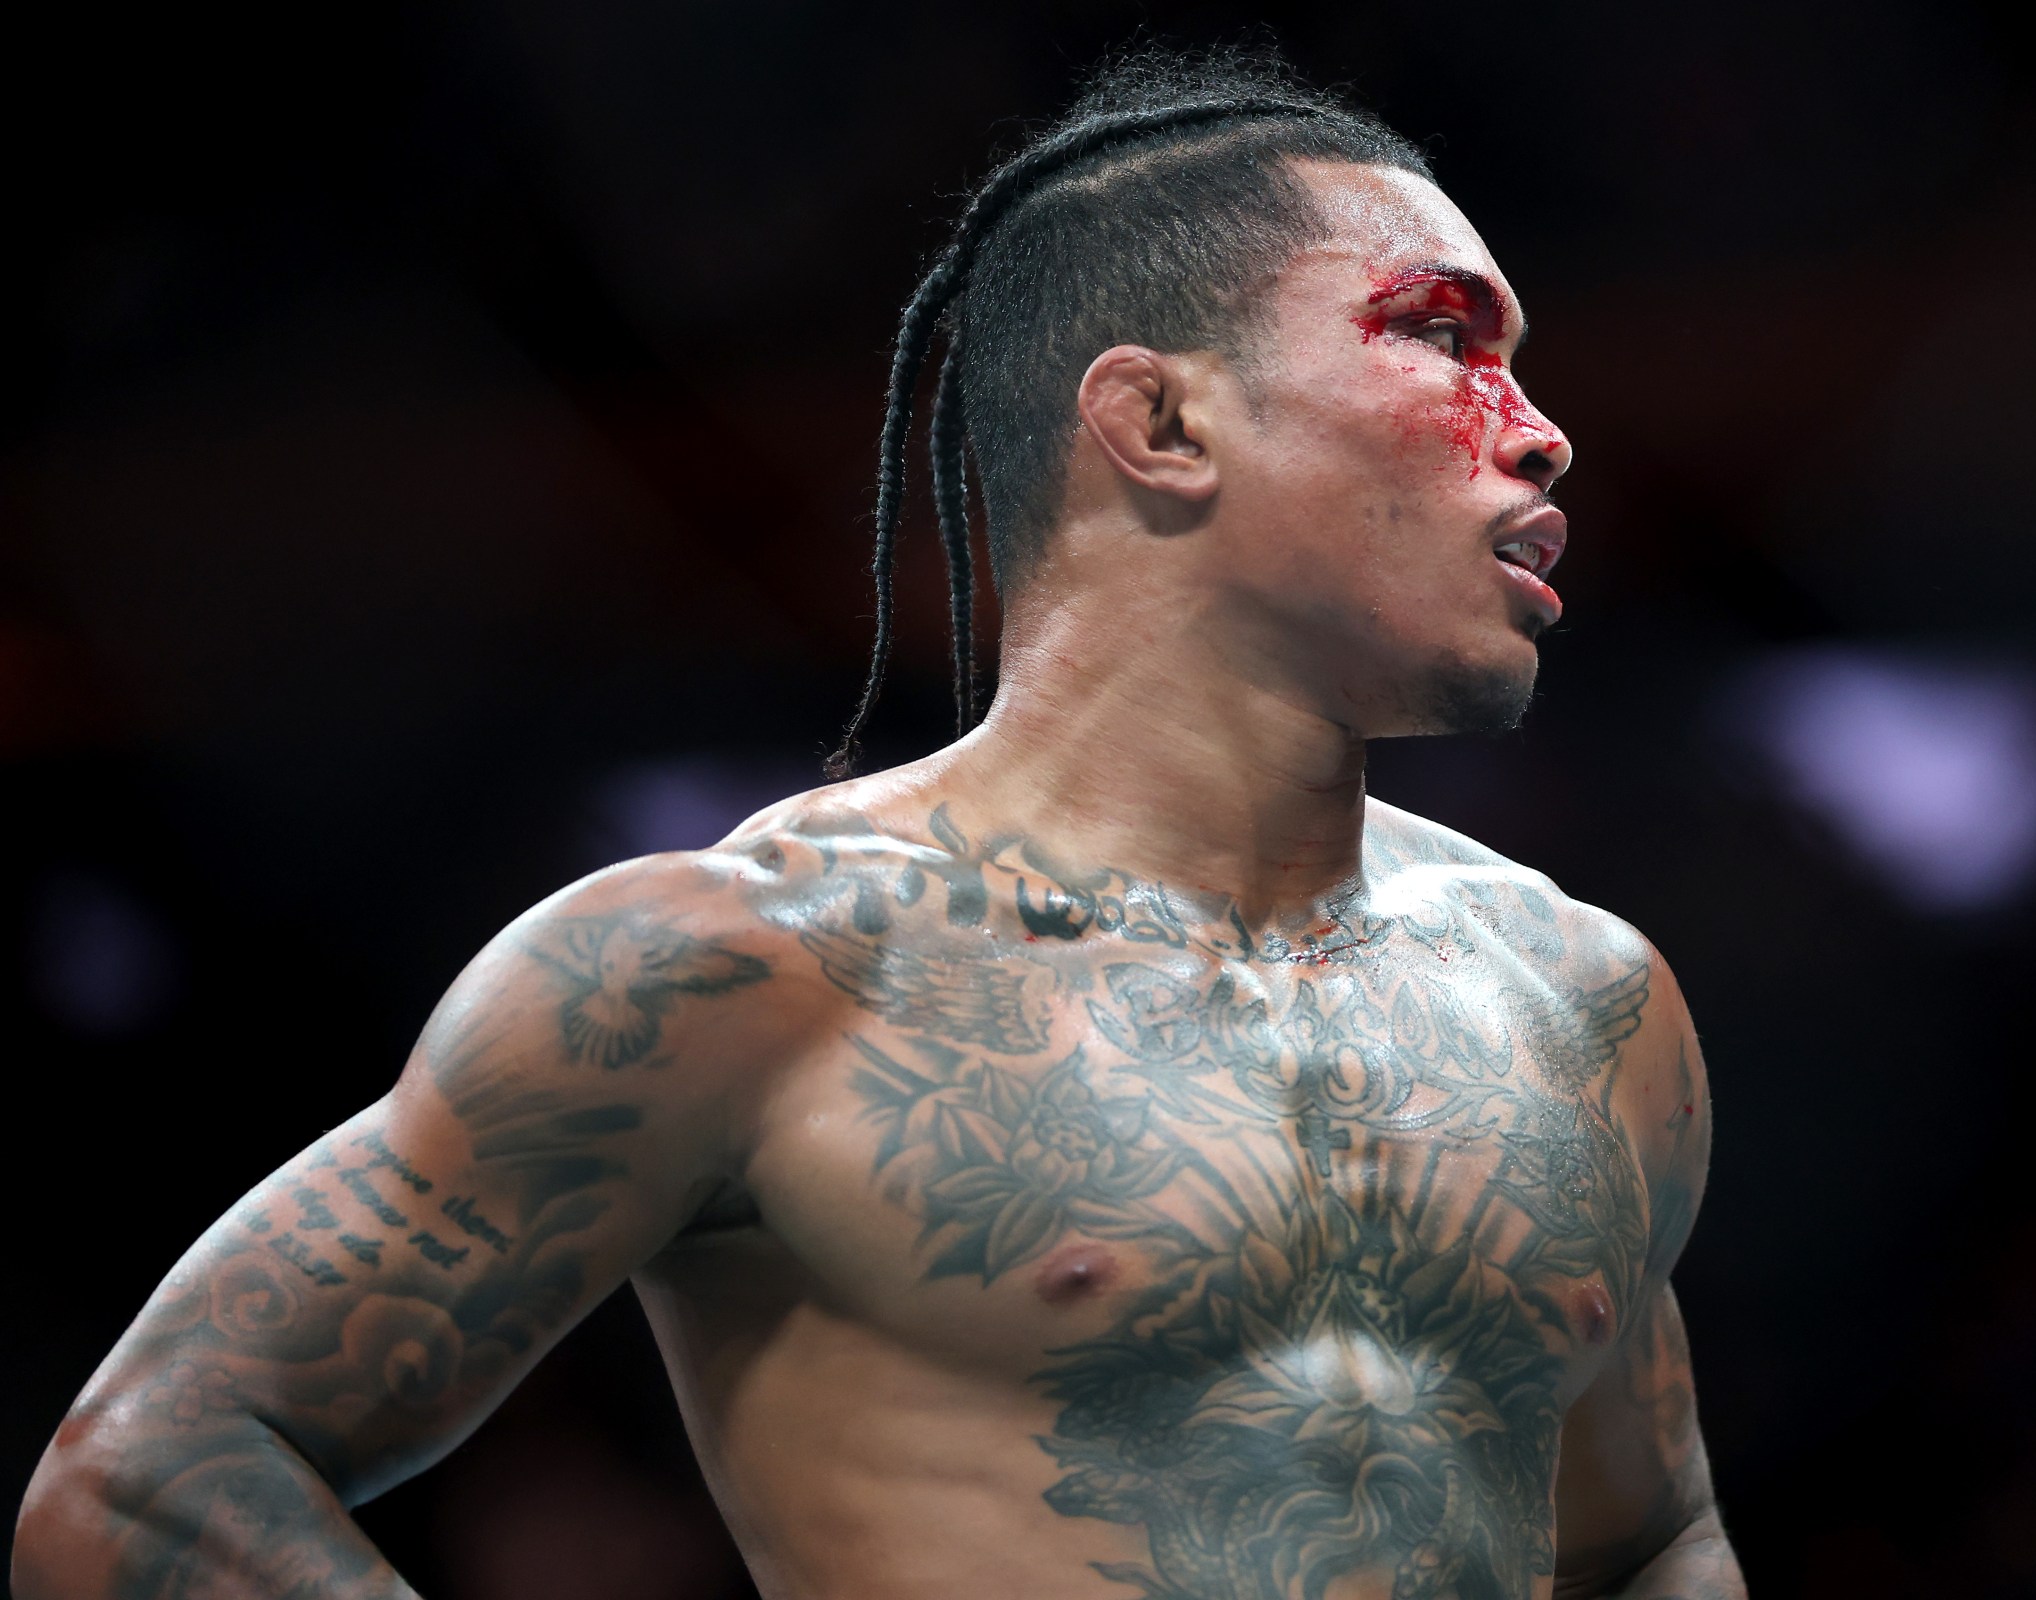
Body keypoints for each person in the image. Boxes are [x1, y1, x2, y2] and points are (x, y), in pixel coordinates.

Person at [15, 48, 1747, 1600]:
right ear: (1158, 421)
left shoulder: (1581, 1001)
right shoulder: (743, 967)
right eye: (1444, 336)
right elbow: (153, 1474)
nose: (1543, 435)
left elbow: (1647, 1537)